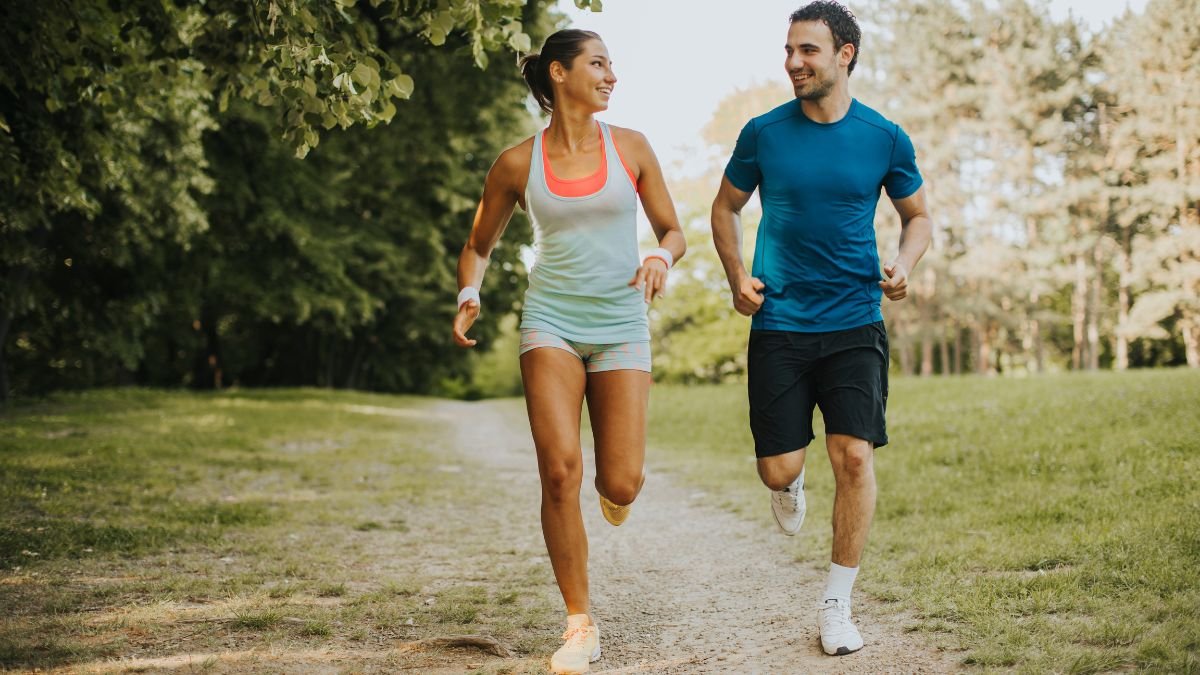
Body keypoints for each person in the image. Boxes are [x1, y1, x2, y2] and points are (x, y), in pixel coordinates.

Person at [452, 28, 685, 675]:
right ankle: (579, 623)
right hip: (550, 321)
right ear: (560, 73)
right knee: (559, 471)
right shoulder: (516, 163)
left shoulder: (630, 147)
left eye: (612, 65)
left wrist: (660, 257)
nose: (612, 76)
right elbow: (478, 244)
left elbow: (672, 229)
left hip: (620, 322)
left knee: (621, 481)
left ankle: (618, 490)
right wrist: (469, 290)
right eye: (599, 63)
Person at [710, 1, 933, 657]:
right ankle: (790, 480)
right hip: (780, 321)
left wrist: (904, 264)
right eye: (789, 50)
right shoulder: (763, 133)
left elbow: (918, 217)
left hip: (854, 319)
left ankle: (837, 603)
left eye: (807, 50)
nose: (793, 62)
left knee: (855, 456)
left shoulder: (884, 137)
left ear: (844, 54)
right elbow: (725, 208)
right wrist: (736, 275)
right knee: (777, 467)